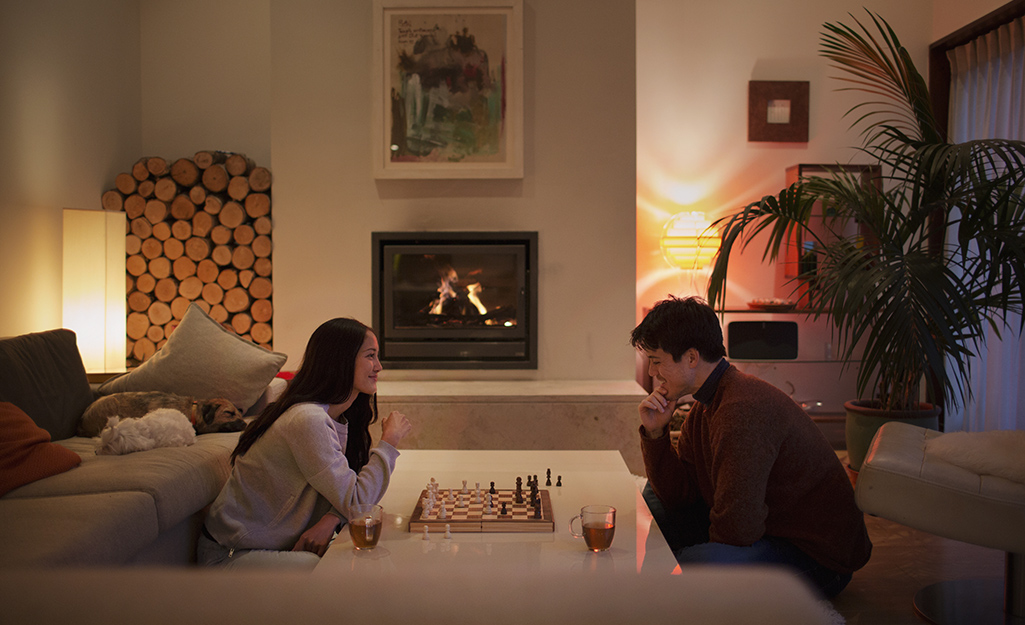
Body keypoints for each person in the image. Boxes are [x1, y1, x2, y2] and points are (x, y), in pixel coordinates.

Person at [632, 296, 871, 597]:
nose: (653, 373)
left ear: (691, 358)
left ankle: (675, 575)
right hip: (766, 529)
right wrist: (656, 433)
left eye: (656, 361)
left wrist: (696, 551)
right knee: (654, 496)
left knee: (695, 564)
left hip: (816, 557)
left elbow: (737, 530)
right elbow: (680, 495)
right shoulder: (704, 406)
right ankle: (665, 574)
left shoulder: (742, 410)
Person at [198, 317, 412, 569]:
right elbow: (358, 504)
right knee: (342, 568)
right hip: (231, 555)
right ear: (340, 360)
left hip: (267, 548)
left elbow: (349, 494)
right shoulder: (308, 419)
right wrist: (389, 442)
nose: (379, 366)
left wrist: (331, 518)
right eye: (370, 356)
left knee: (363, 559)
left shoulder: (336, 417)